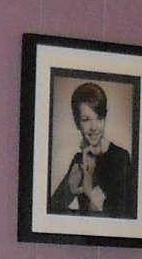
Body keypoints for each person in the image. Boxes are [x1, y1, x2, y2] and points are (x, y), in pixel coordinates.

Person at [46, 81, 136, 219]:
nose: (94, 127)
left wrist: (90, 189)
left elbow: (126, 215)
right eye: (86, 119)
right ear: (77, 123)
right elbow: (52, 210)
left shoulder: (121, 157)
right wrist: (69, 190)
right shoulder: (79, 159)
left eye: (99, 118)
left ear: (105, 118)